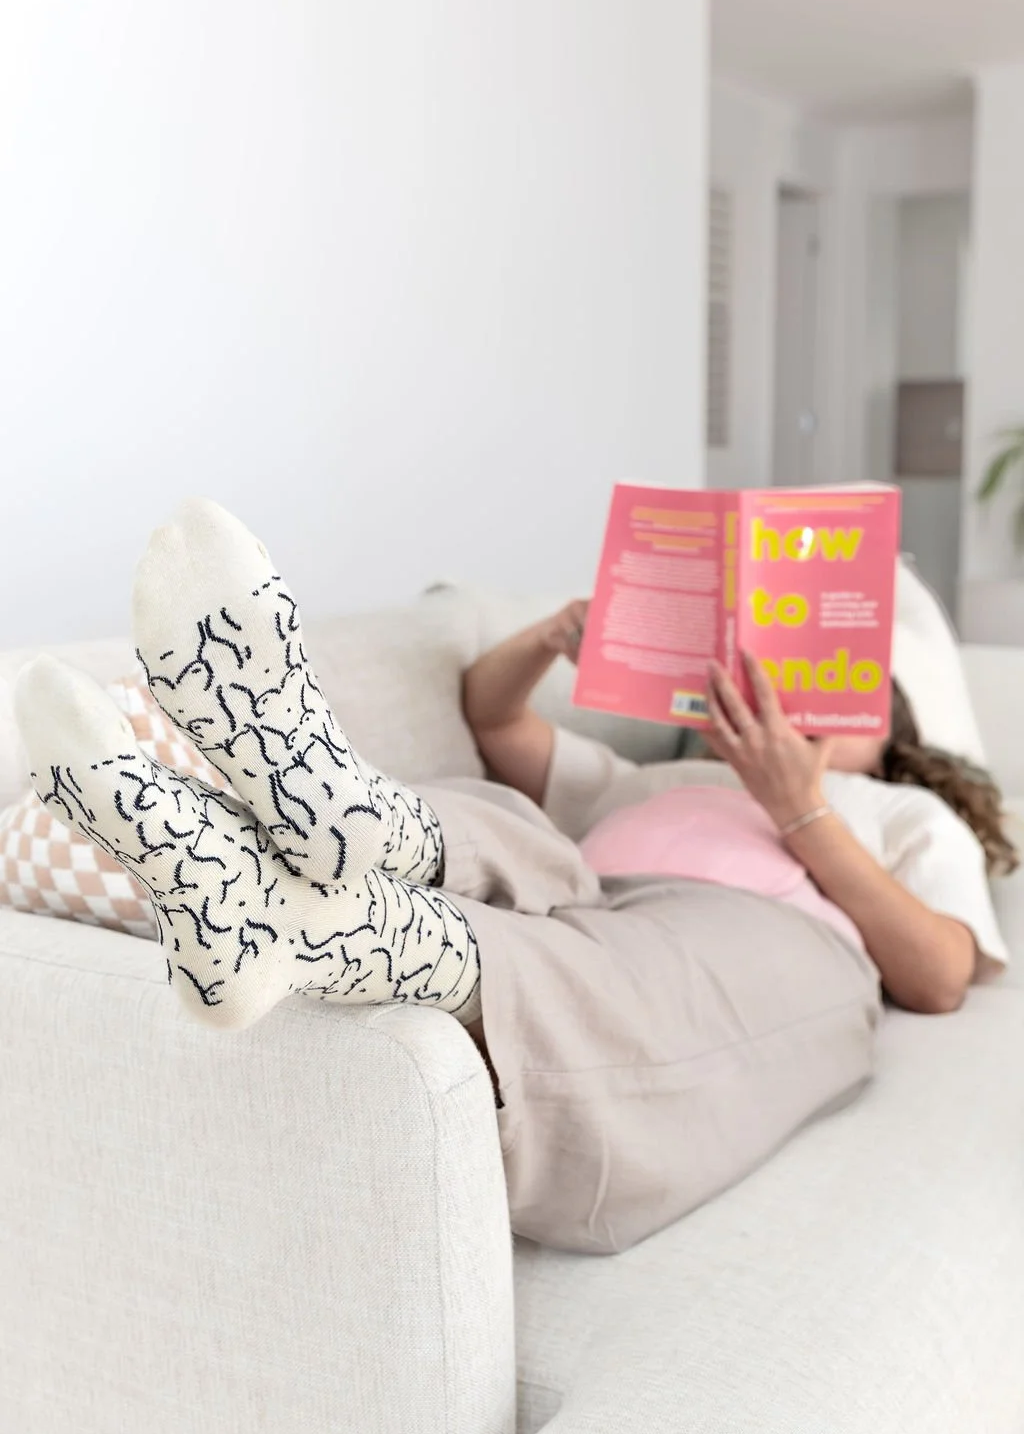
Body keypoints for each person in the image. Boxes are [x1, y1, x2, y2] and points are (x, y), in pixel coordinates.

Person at [14, 502, 1016, 1255]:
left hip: (761, 938)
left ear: (899, 746)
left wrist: (802, 808)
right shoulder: (665, 775)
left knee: (623, 971)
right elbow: (497, 727)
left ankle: (282, 919)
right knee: (501, 815)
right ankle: (329, 812)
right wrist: (548, 640)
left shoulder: (905, 814)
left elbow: (935, 974)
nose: (804, 706)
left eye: (847, 702)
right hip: (590, 884)